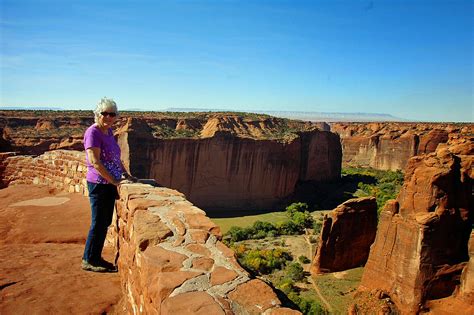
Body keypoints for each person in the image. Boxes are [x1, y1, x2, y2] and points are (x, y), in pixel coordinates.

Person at [82, 97, 135, 272]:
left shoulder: (109, 132)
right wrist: (113, 180)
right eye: (104, 113)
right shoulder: (93, 132)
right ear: (98, 114)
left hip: (110, 183)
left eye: (112, 114)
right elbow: (95, 162)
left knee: (104, 222)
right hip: (99, 183)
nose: (108, 117)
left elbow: (115, 158)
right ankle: (89, 259)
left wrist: (125, 174)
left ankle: (95, 257)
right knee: (98, 222)